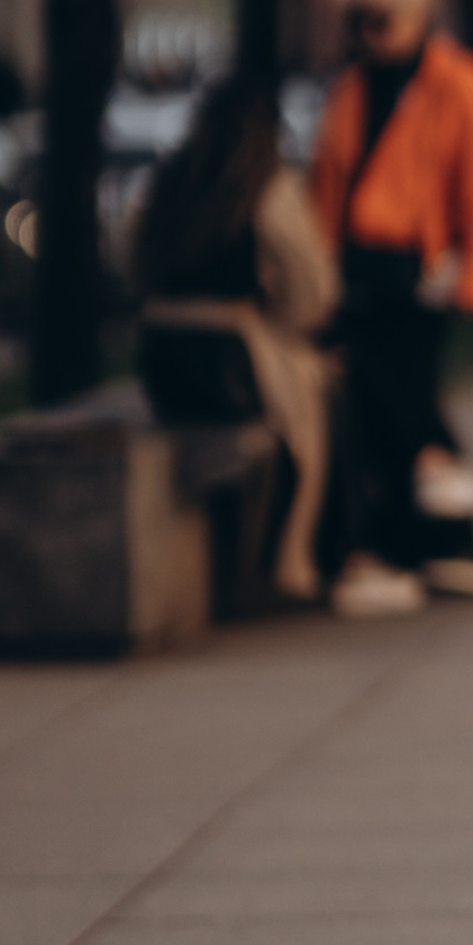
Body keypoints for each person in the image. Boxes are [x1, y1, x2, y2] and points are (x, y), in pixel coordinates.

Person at [310, 0, 473, 619]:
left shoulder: (458, 81)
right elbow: (330, 182)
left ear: (420, 16)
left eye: (385, 18)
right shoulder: (351, 89)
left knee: (398, 388)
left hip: (422, 268)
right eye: (362, 20)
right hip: (356, 268)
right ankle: (440, 531)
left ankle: (428, 519)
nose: (374, 32)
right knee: (386, 399)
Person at [136, 77, 339, 601]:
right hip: (229, 359)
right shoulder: (267, 189)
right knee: (316, 395)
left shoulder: (169, 182)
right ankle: (296, 557)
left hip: (162, 357)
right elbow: (312, 294)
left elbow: (136, 262)